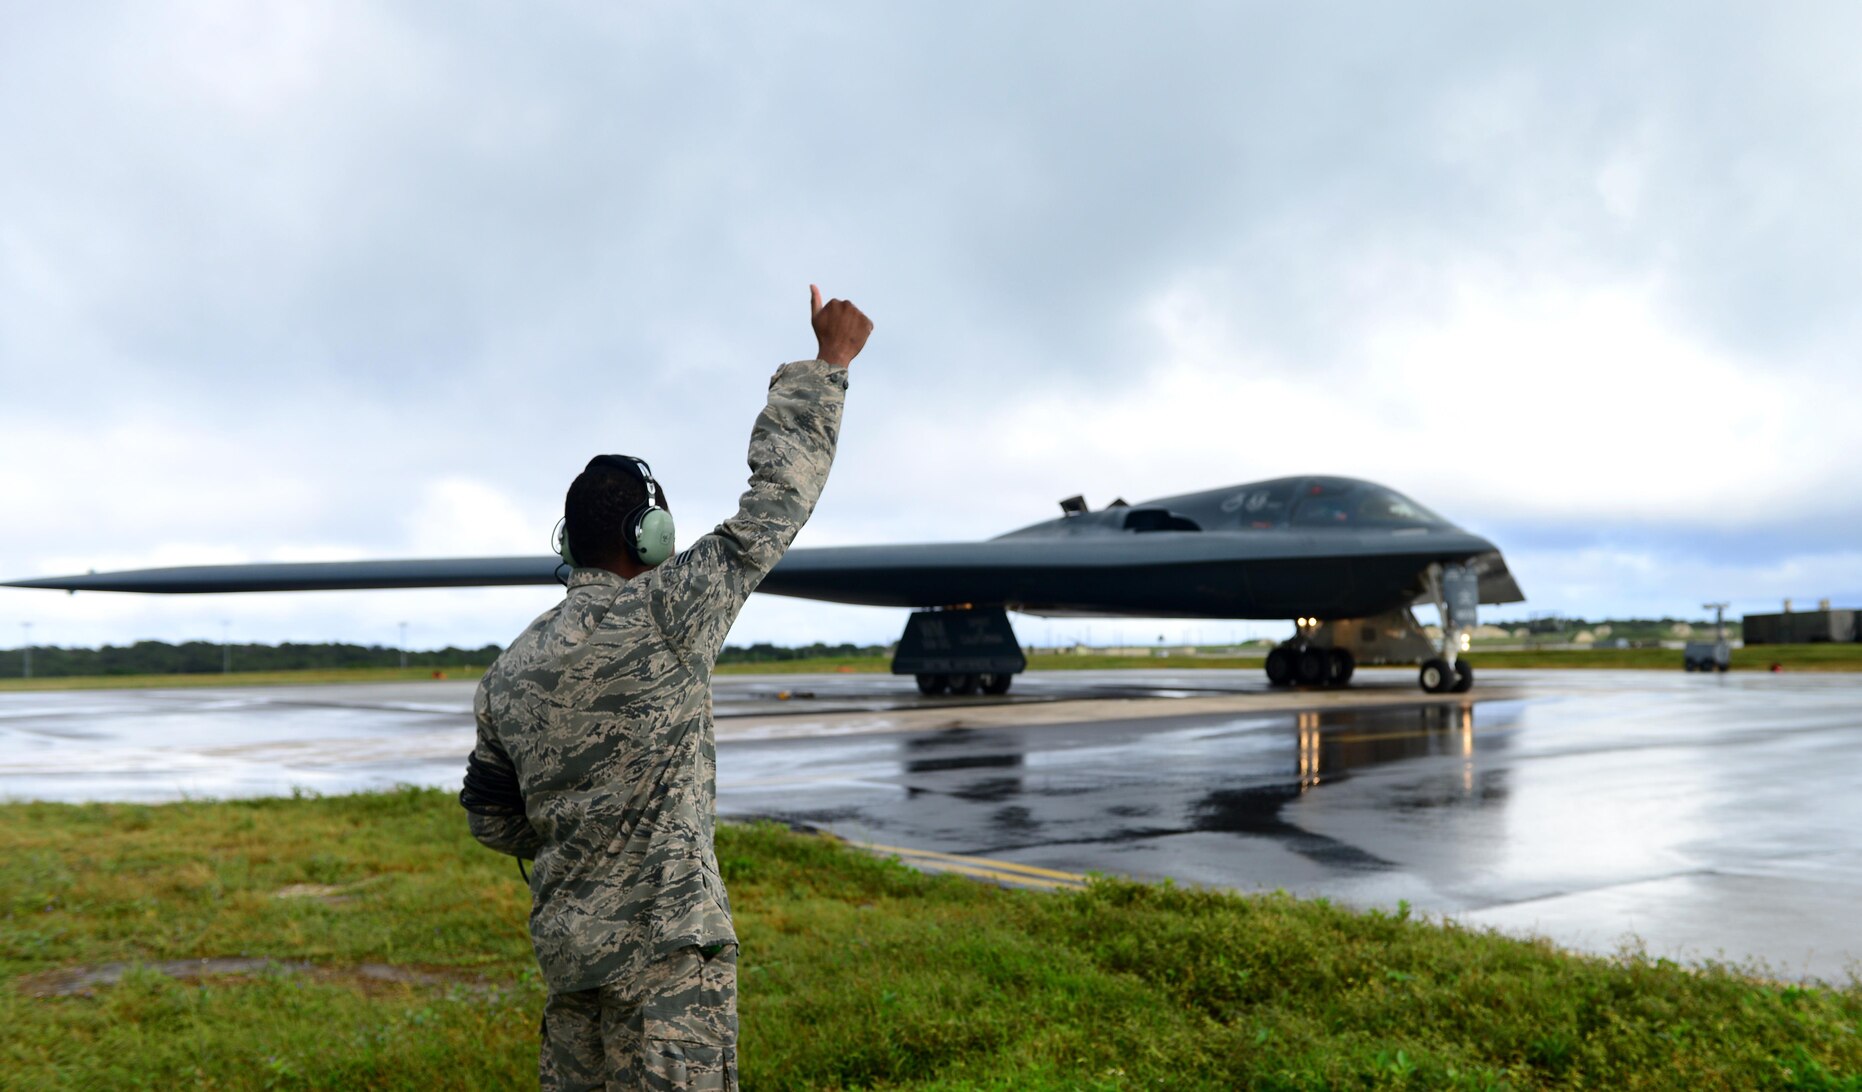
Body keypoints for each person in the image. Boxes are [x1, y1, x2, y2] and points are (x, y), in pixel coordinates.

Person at [460, 285, 872, 1090]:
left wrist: (580, 834)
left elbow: (492, 821)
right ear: (649, 537)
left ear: (569, 542)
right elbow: (773, 509)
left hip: (573, 967)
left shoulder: (508, 673)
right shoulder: (669, 612)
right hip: (668, 969)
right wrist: (830, 364)